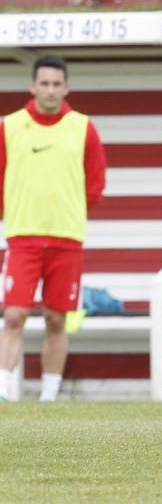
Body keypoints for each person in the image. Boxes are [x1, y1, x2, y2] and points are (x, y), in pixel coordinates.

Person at [0, 55, 106, 402]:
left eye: (56, 84)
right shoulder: (10, 126)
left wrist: (65, 213)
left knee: (56, 319)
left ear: (66, 87)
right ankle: (2, 393)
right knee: (14, 315)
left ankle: (49, 398)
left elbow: (95, 186)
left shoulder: (83, 127)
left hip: (67, 238)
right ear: (32, 87)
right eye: (43, 83)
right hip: (22, 237)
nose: (49, 90)